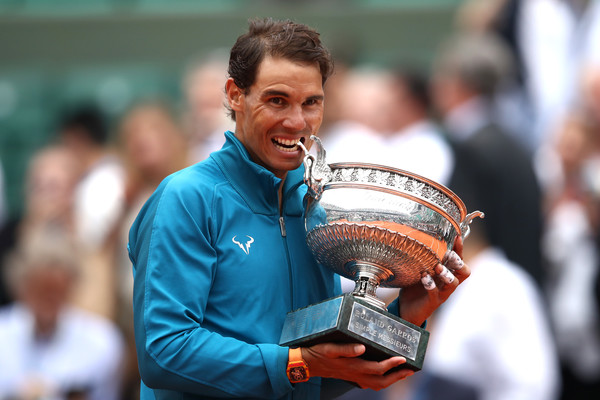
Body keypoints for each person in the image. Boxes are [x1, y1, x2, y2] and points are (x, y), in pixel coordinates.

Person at [129, 18, 470, 400]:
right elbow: (163, 352)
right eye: (277, 100)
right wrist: (299, 362)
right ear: (235, 95)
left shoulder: (316, 206)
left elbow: (320, 374)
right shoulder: (186, 198)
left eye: (311, 103)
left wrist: (408, 311)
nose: (296, 122)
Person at [0, 226, 125, 400]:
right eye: (40, 290)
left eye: (56, 292)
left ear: (71, 287)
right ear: (22, 287)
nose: (48, 301)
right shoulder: (3, 332)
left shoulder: (102, 340)